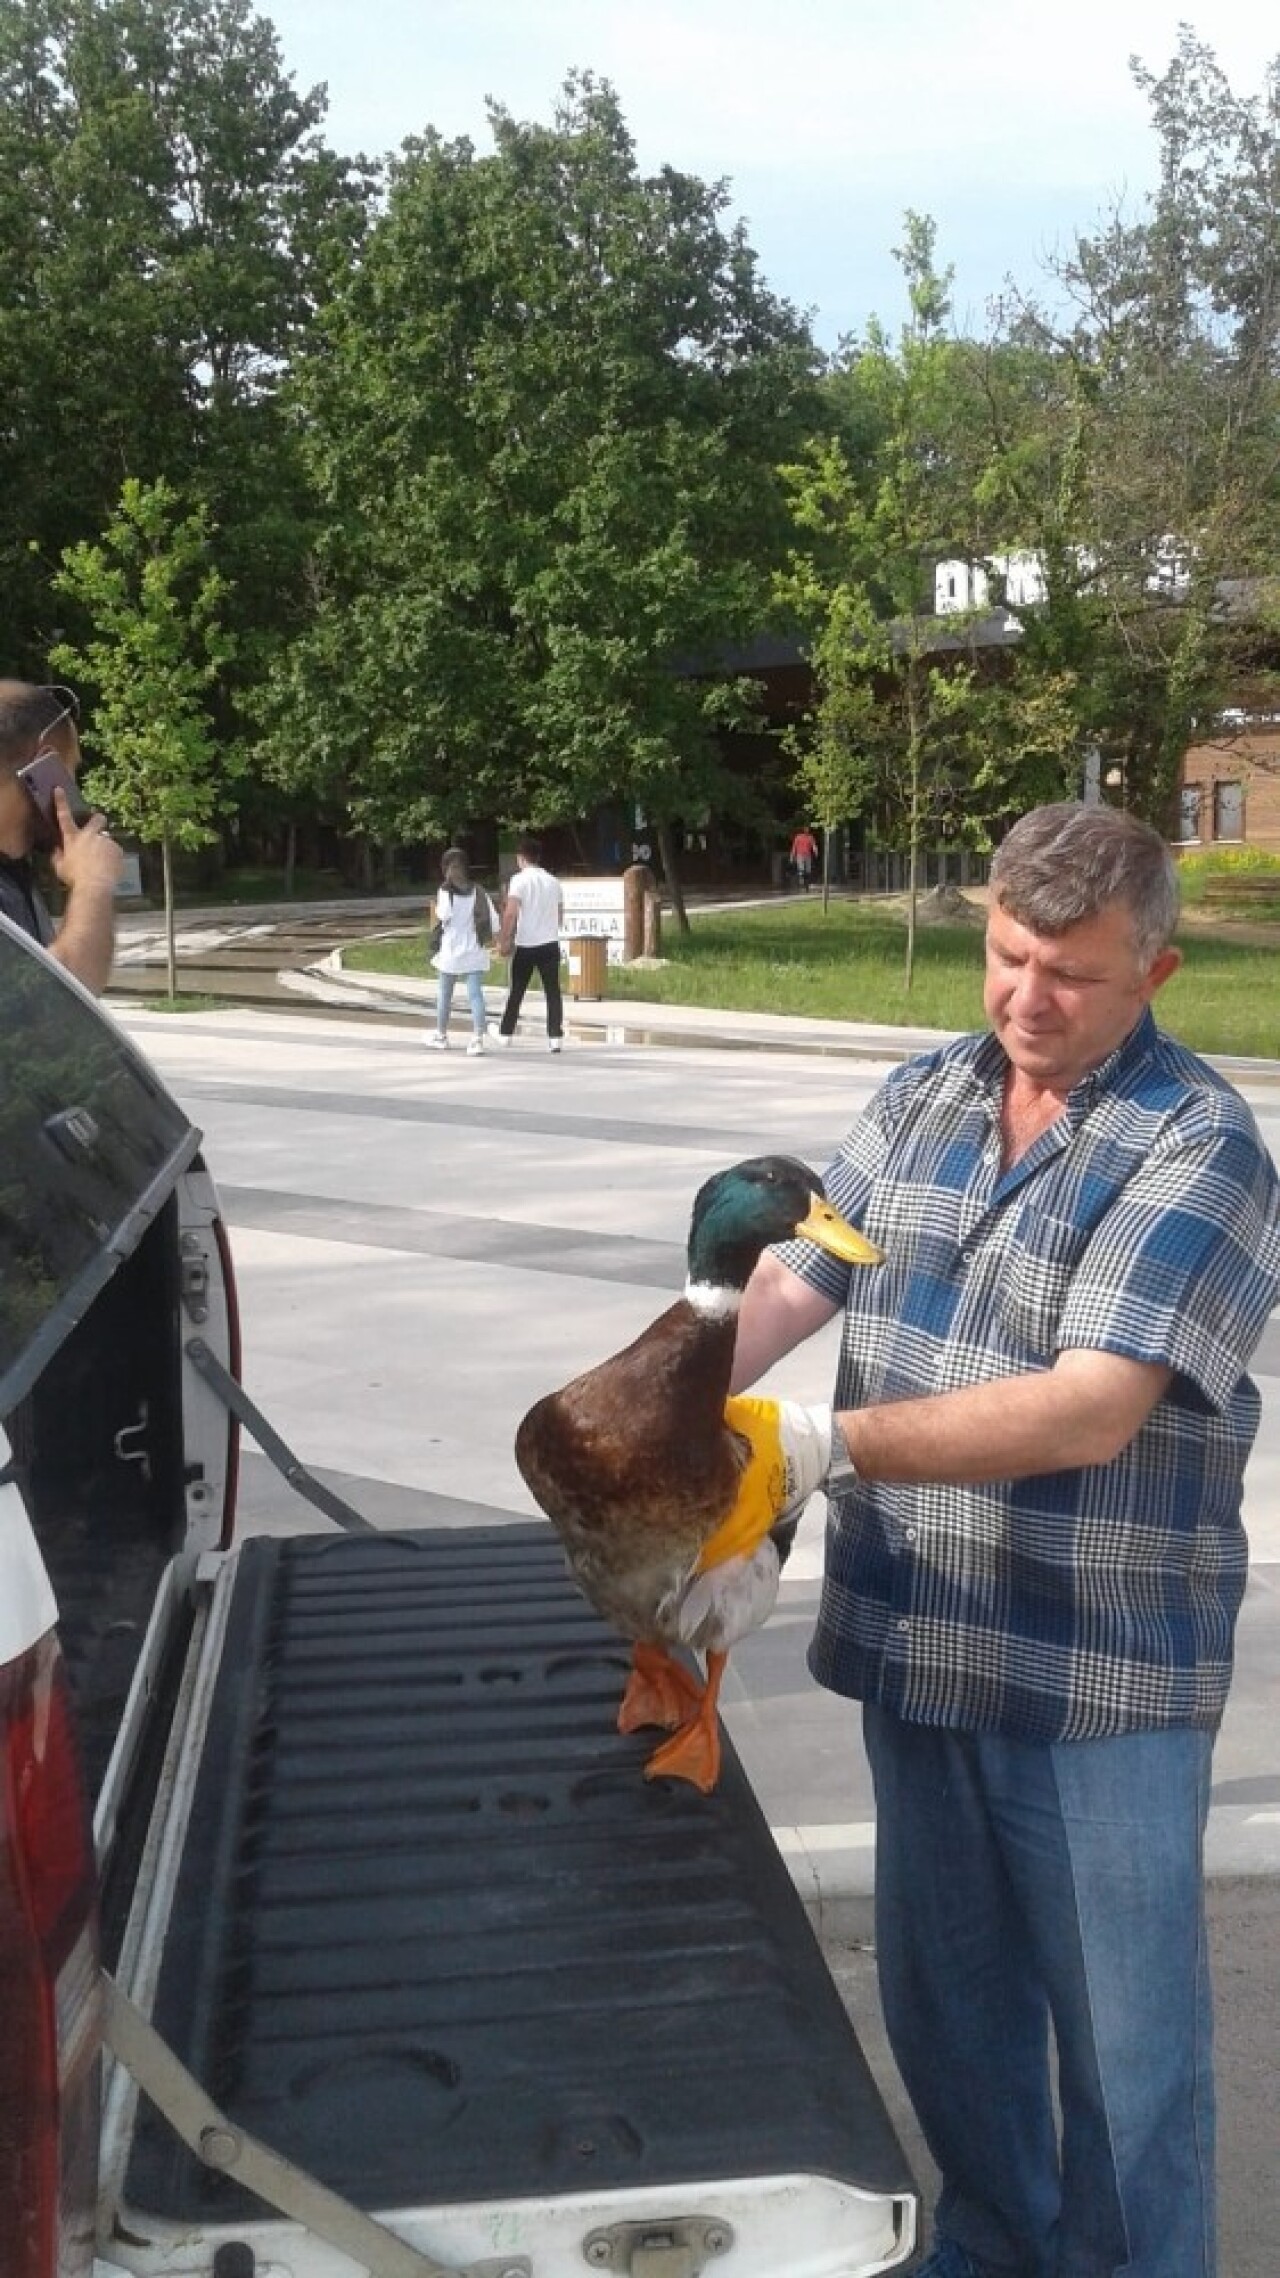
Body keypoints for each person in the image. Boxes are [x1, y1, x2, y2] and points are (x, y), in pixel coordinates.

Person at [730, 801, 1280, 2278]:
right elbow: (811, 1262)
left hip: (1092, 1678)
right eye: (1007, 954)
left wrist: (816, 1445)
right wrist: (677, 1379)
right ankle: (989, 2246)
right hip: (919, 1633)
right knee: (950, 2008)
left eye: (1072, 975)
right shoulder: (919, 1096)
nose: (1028, 998)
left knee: (1127, 2054)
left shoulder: (1203, 1148)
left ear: (1156, 974)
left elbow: (1091, 1409)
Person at [0, 679, 123, 993]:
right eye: (72, 770)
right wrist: (92, 885)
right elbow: (51, 1009)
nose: (75, 789)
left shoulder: (14, 878)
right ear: (44, 767)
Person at [495, 833, 565, 1052]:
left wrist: (504, 939)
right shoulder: (554, 882)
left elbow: (510, 913)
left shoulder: (519, 880)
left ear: (521, 858)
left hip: (526, 943)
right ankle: (555, 1037)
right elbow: (560, 915)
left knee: (517, 990)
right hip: (550, 943)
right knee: (552, 992)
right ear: (538, 857)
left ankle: (506, 1033)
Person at [427, 847, 499, 1056]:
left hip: (451, 950)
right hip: (474, 948)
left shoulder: (445, 891)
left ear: (445, 867)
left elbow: (443, 915)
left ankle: (441, 1035)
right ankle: (477, 1039)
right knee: (475, 995)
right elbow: (494, 921)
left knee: (444, 994)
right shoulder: (478, 891)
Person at [790, 823, 819, 890]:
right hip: (800, 855)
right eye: (806, 829)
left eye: (808, 829)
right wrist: (792, 856)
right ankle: (802, 881)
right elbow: (794, 847)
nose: (807, 830)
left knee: (808, 870)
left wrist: (815, 851)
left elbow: (813, 845)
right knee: (801, 869)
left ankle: (807, 883)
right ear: (803, 830)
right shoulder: (798, 837)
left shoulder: (810, 837)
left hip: (807, 855)